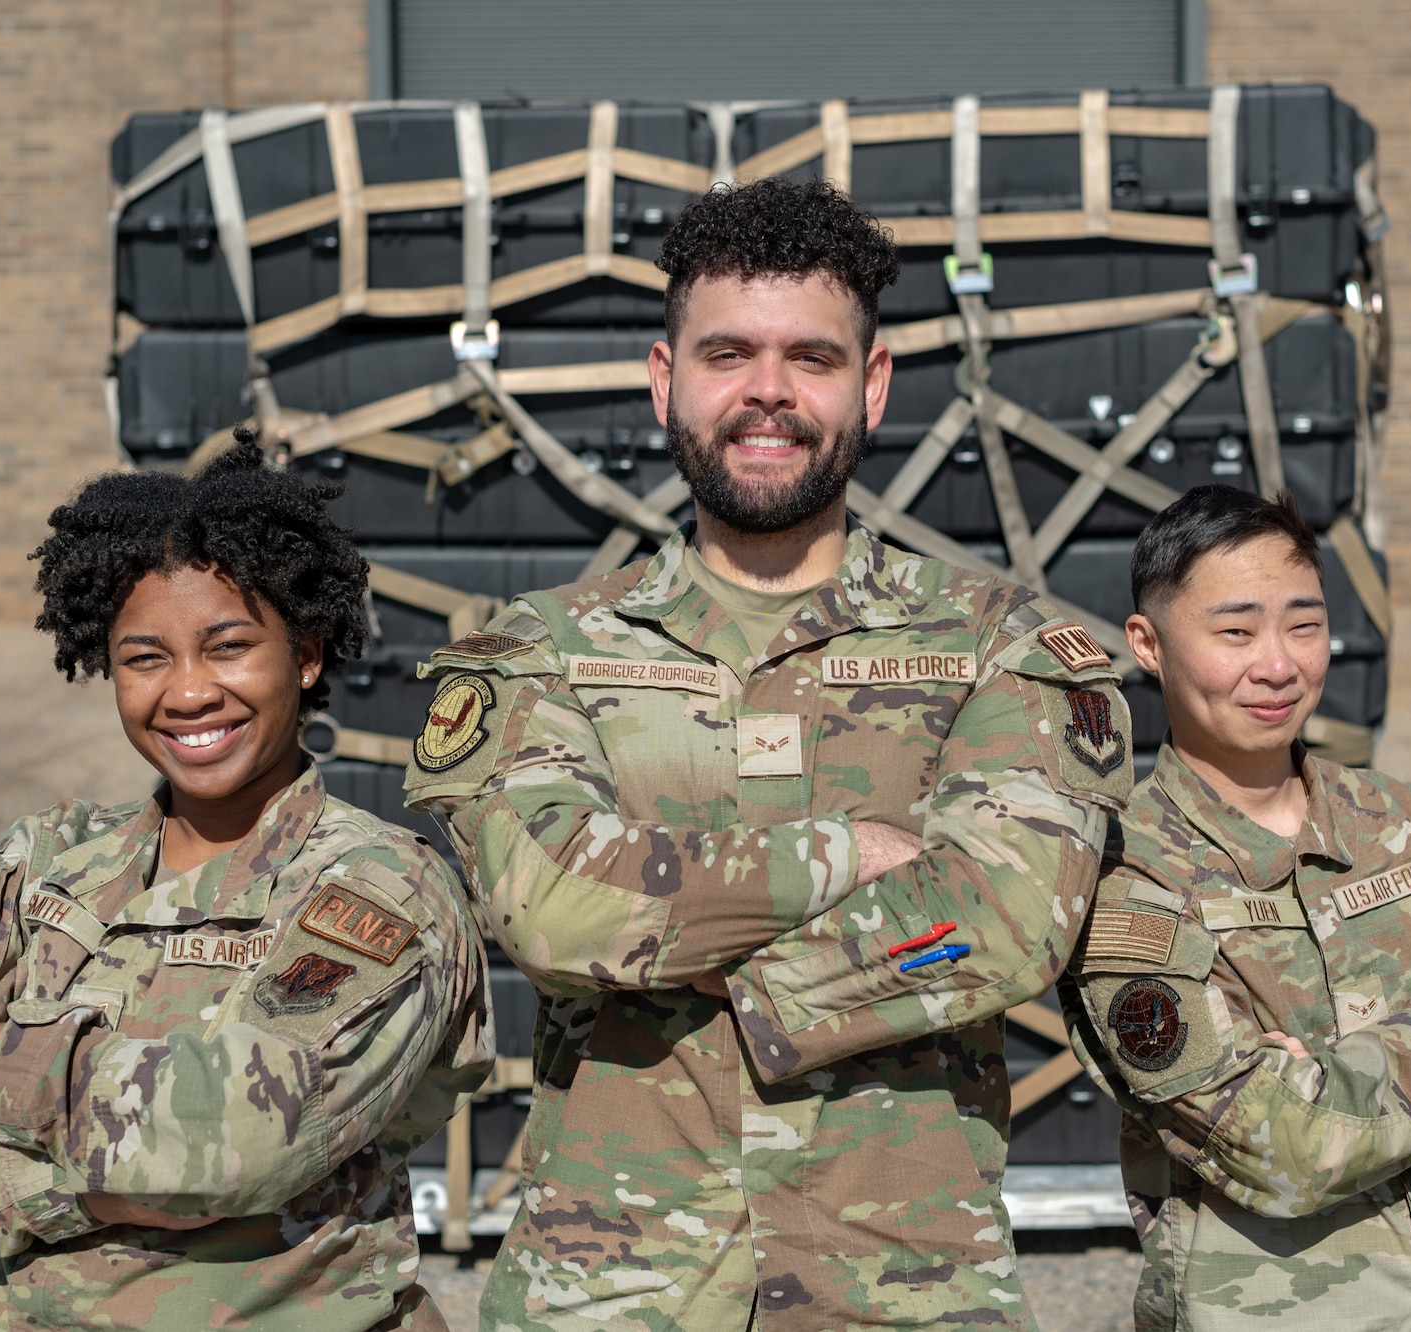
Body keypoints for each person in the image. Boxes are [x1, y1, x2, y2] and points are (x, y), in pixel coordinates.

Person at [403, 176, 1133, 1330]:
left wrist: (682, 936)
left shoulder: (999, 648)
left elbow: (1006, 914)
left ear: (873, 385)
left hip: (904, 1280)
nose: (767, 393)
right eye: (727, 353)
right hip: (613, 1282)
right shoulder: (539, 652)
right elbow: (543, 904)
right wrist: (853, 856)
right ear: (664, 381)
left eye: (812, 358)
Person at [0, 439, 493, 1330]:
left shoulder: (382, 889)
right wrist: (76, 1182)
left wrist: (3, 1065)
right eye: (145, 659)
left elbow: (243, 1136)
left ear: (305, 655)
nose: (187, 693)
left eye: (227, 647)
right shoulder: (45, 859)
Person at [1062, 485, 1411, 1331]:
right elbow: (1284, 1151)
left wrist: (1339, 1087)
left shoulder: (1403, 824)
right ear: (1148, 644)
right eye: (1235, 632)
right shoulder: (1126, 876)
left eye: (1304, 625)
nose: (1278, 664)